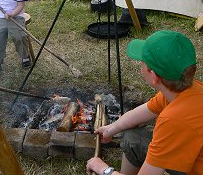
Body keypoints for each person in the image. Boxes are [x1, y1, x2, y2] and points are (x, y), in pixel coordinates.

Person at [86, 30, 203, 175]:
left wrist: (104, 169)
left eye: (142, 62)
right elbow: (145, 111)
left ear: (153, 76)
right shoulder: (190, 89)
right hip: (191, 155)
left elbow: (174, 122)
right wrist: (111, 129)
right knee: (132, 138)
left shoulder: (172, 121)